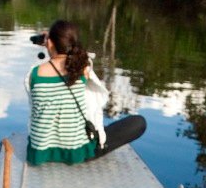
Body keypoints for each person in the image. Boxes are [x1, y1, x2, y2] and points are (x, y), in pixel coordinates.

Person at [25, 19, 144, 165]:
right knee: (139, 122)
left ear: (49, 43)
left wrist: (49, 46)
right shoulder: (83, 70)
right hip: (76, 152)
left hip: (39, 152)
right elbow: (82, 58)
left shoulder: (34, 73)